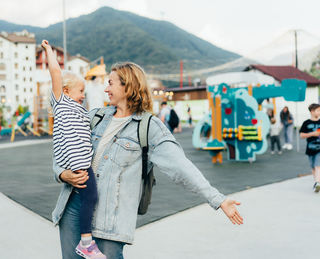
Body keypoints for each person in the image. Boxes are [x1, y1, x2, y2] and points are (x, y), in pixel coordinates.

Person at [52, 62, 243, 259]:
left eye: (111, 83)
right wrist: (62, 173)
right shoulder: (94, 117)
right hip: (73, 207)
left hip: (110, 218)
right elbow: (63, 145)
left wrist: (218, 199)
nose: (106, 89)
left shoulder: (149, 128)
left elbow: (181, 167)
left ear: (128, 86)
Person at [41, 40, 105, 259]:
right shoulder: (62, 103)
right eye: (80, 91)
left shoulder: (79, 110)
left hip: (81, 162)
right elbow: (56, 73)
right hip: (78, 163)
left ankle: (86, 241)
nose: (83, 96)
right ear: (65, 91)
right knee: (92, 196)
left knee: (90, 197)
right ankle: (86, 242)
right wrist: (50, 52)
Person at [299, 103, 320, 193]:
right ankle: (316, 183)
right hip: (310, 148)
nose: (319, 112)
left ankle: (318, 182)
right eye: (318, 110)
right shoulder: (306, 123)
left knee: (317, 166)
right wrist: (312, 134)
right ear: (312, 111)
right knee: (313, 167)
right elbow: (301, 135)